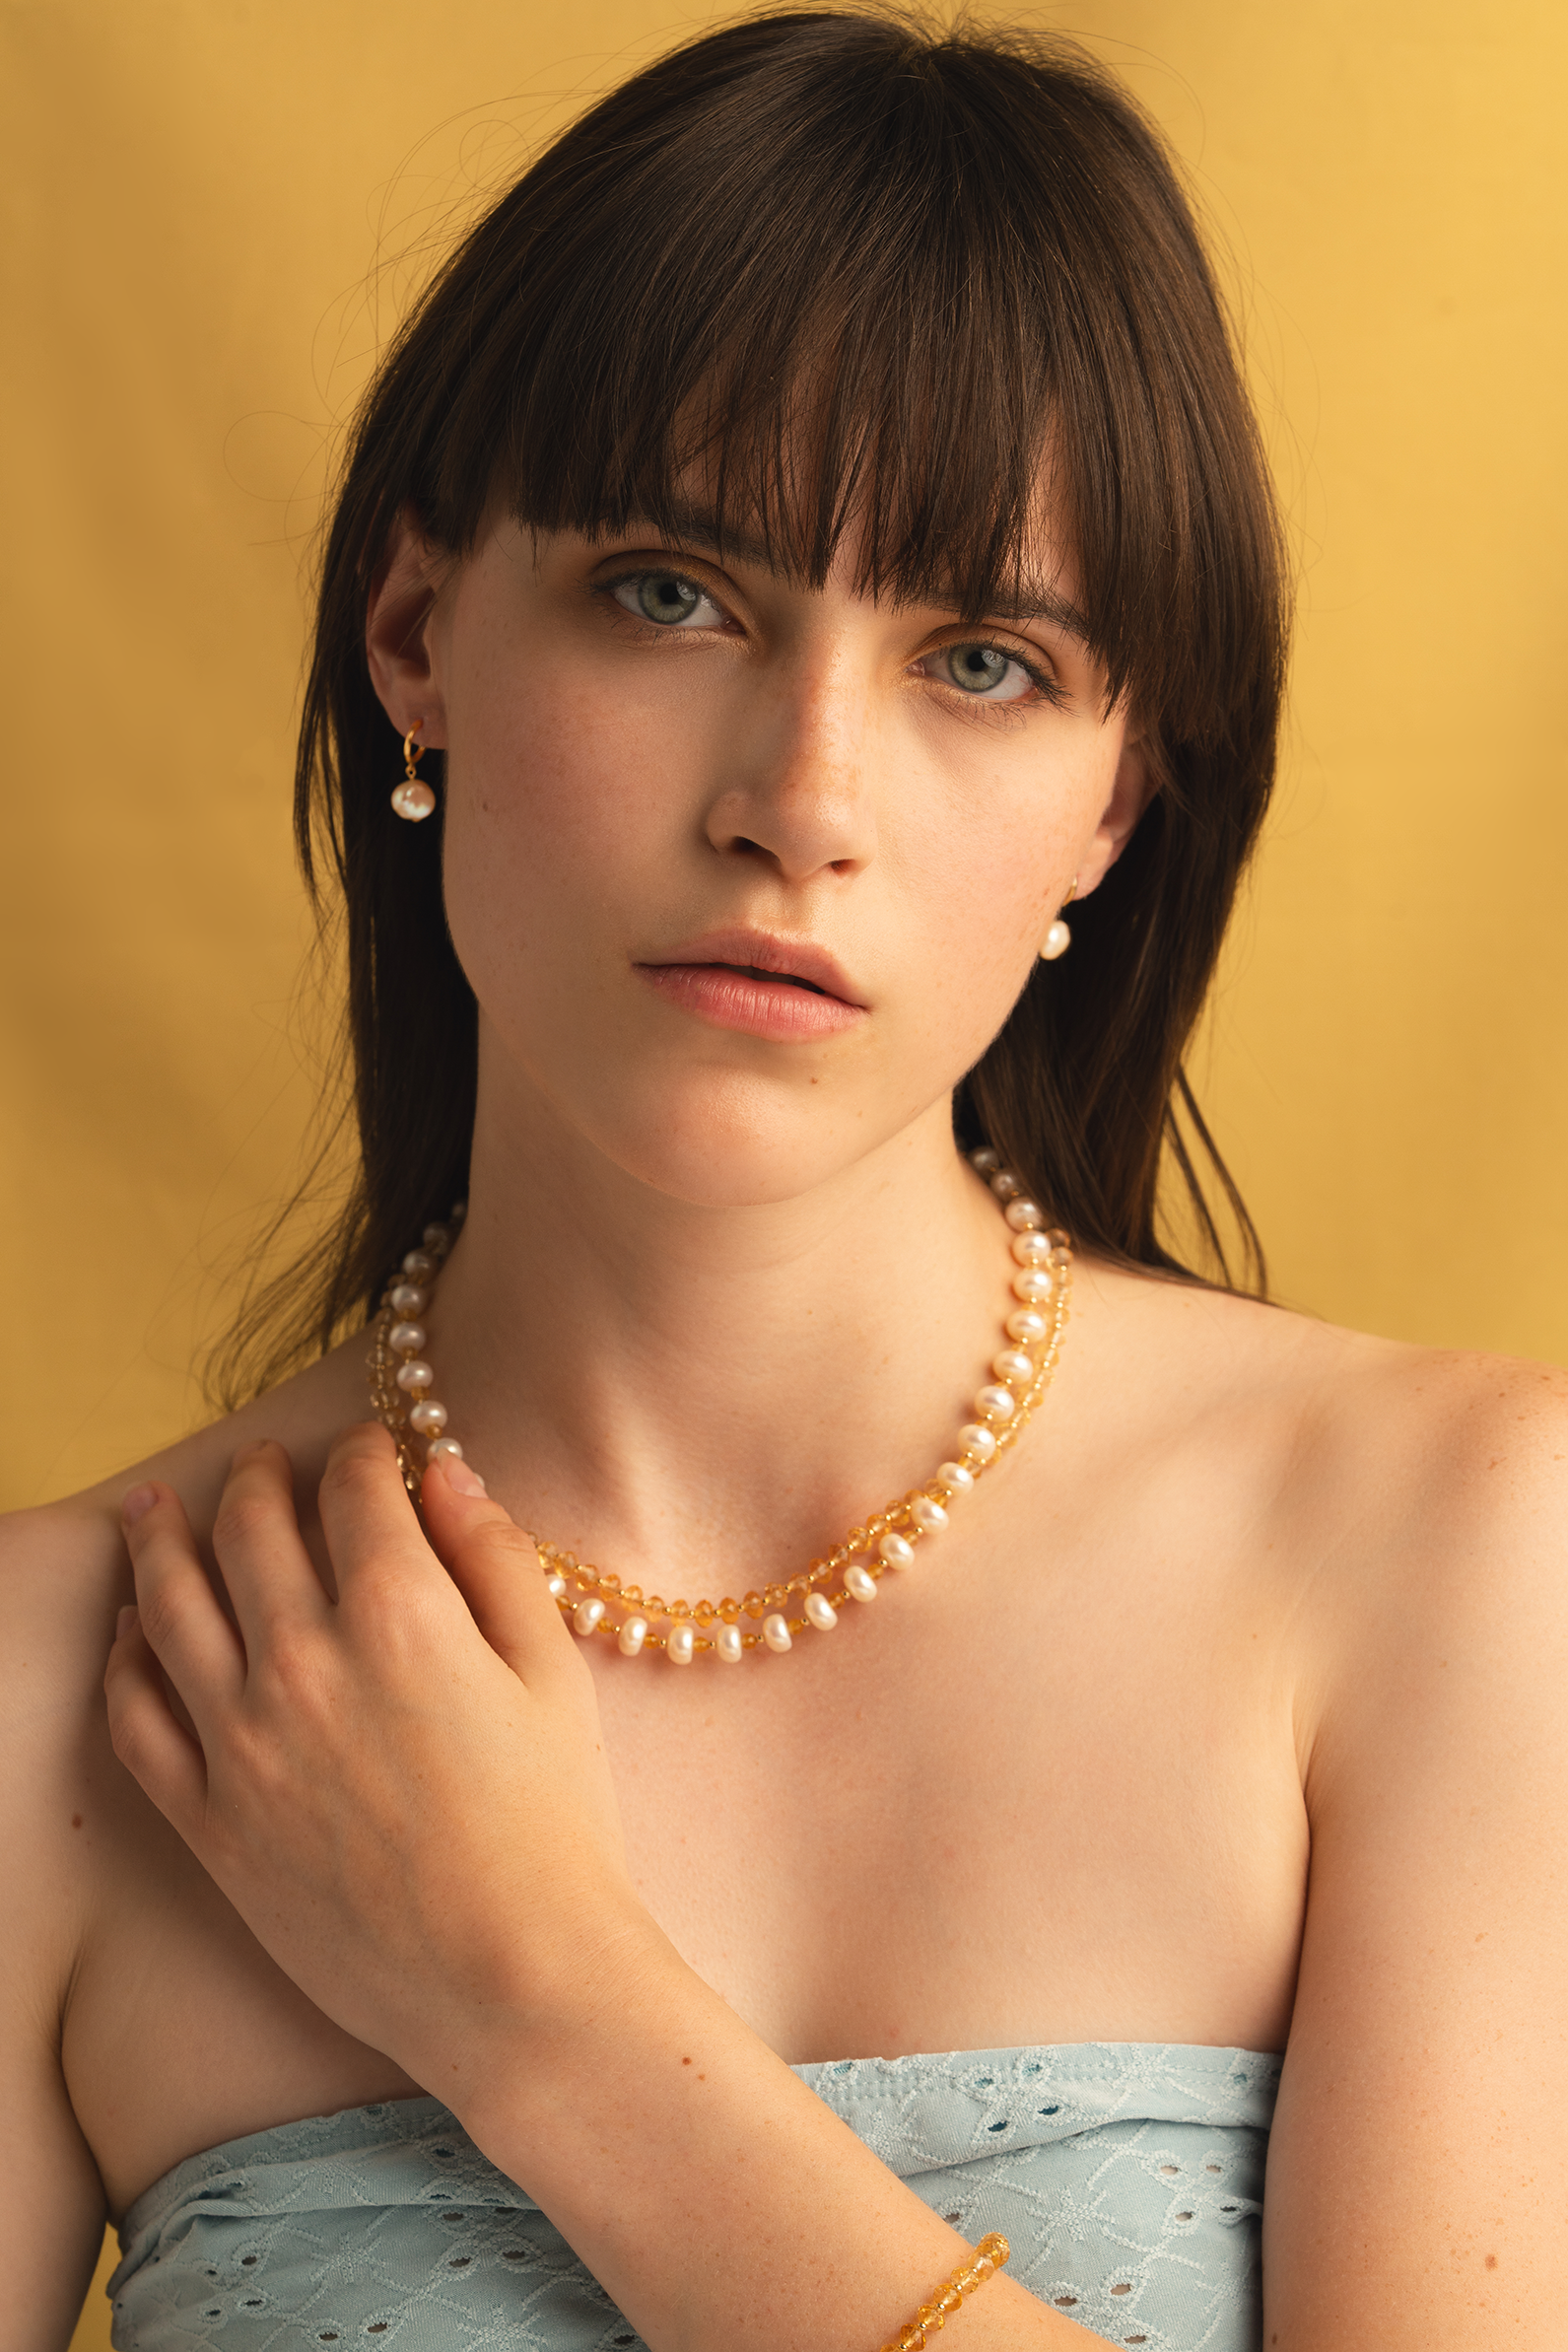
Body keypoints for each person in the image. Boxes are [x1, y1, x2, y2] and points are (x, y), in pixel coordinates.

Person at [6, 12, 1564, 2349]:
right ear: (419, 637)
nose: (801, 798)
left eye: (980, 659)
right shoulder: (60, 1687)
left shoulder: (1452, 1551)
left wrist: (529, 1993)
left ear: (1115, 810)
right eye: (671, 593)